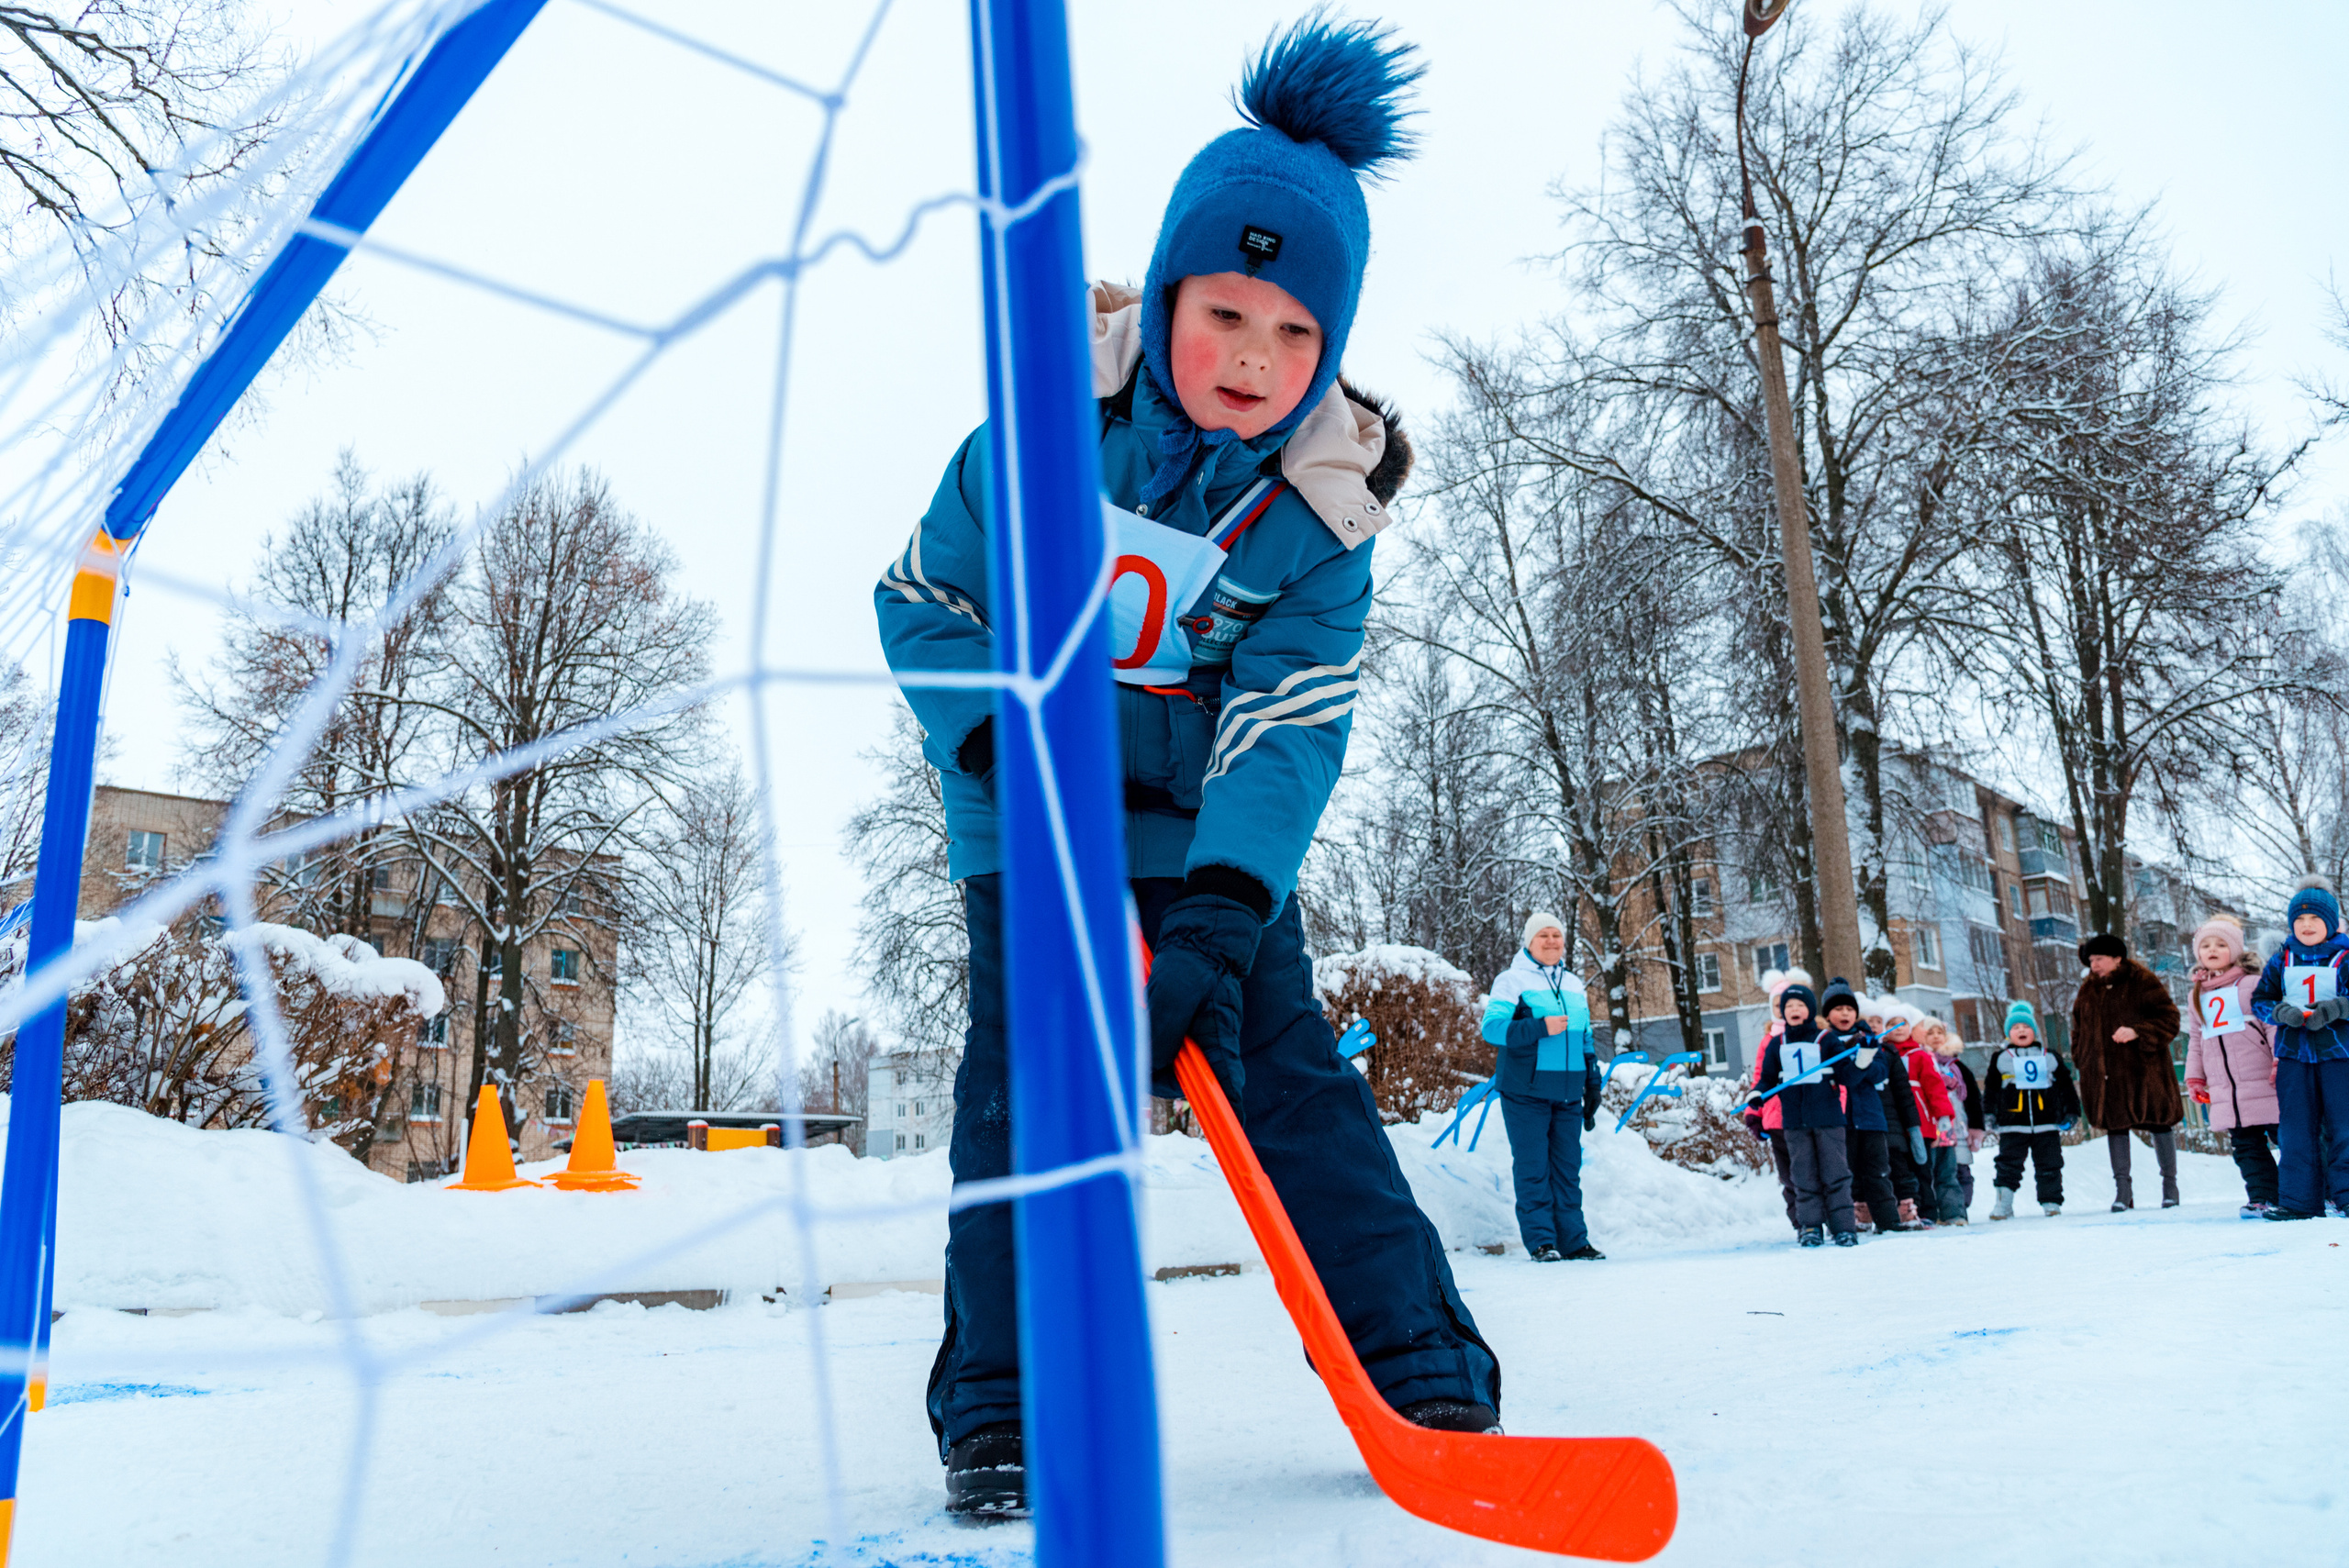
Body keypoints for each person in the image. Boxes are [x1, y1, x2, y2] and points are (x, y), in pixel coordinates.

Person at [876, 21, 1502, 1514]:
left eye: (1298, 335)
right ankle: (1000, 1403)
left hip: (1204, 838)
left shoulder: (1320, 516)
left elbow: (1293, 712)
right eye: (1227, 313)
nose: (1254, 361)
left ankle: (1419, 1363)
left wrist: (1224, 904)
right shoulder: (1039, 432)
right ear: (1165, 299)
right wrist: (1008, 764)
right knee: (1024, 1088)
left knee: (1291, 1082)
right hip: (1026, 823)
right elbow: (922, 598)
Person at [1481, 913, 1604, 1262]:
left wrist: (1592, 1084)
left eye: (1556, 935)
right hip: (1525, 1092)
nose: (1551, 941)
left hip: (1567, 1093)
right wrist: (1539, 1026)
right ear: (1529, 941)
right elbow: (1491, 1029)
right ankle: (1541, 1242)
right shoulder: (1511, 981)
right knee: (1533, 1168)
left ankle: (1574, 1241)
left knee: (1568, 1170)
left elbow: (1586, 1038)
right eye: (1543, 936)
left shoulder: (1574, 985)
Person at [2247, 877, 2349, 1222]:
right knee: (2295, 1129)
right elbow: (2260, 999)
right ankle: (2298, 1201)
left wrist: (2336, 1009)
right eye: (2299, 920)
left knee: (2344, 1127)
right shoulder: (2281, 959)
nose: (2306, 926)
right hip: (2294, 1054)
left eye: (2315, 919)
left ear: (2331, 923)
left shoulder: (2345, 957)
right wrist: (2281, 1012)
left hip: (2339, 1055)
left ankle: (2346, 1196)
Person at [2072, 933, 2186, 1211]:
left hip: (2145, 1072)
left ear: (2117, 958)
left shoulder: (2142, 981)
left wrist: (2138, 1031)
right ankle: (2123, 1191)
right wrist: (2083, 1059)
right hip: (2106, 1076)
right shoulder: (2088, 989)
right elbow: (2077, 1029)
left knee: (2160, 1123)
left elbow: (2170, 1018)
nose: (2093, 965)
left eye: (2098, 959)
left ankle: (2170, 1187)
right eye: (2090, 960)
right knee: (2116, 1126)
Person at [1747, 983, 1861, 1247]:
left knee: (1835, 1174)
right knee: (1803, 1176)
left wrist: (1863, 1058)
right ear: (1782, 1013)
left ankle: (1844, 1227)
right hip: (1794, 1121)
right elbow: (1766, 1080)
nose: (1794, 1010)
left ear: (1809, 1009)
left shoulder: (1826, 1040)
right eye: (1788, 1006)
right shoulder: (1777, 1044)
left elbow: (1848, 1075)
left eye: (1800, 1005)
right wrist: (1757, 1095)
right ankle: (1810, 1227)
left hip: (1828, 1119)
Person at [2181, 915, 2279, 1218]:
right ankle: (2262, 1196)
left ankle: (2310, 1190)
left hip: (2264, 1080)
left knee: (2289, 1139)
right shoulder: (2197, 994)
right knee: (2246, 1146)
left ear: (2236, 950)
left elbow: (2272, 1025)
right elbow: (2197, 1039)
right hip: (2227, 1089)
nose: (2212, 950)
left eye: (2221, 944)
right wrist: (2195, 1077)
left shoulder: (2252, 984)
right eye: (2206, 945)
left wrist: (2279, 1060)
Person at [1986, 1002, 2079, 1218]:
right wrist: (1989, 1113)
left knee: (2050, 1163)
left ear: (2034, 1032)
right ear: (2008, 1033)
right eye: (2015, 1027)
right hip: (2012, 1123)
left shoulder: (2050, 1056)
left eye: (2026, 1027)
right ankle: (2003, 1203)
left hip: (2046, 1122)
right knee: (2008, 1165)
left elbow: (2066, 1086)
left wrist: (2072, 1112)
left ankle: (2051, 1202)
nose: (2021, 1031)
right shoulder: (2000, 1058)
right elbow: (1991, 1089)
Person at [1822, 979, 1899, 1235]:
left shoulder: (1868, 1037)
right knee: (1846, 1173)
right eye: (1838, 1009)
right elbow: (1843, 1077)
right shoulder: (1825, 1041)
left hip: (1871, 1117)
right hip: (1840, 1118)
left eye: (1849, 1009)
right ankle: (1847, 1222)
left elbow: (1879, 1073)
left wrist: (1865, 1059)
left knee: (1877, 1172)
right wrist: (1857, 1065)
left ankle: (1888, 1222)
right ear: (1827, 1014)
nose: (1845, 1013)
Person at [1743, 966, 1812, 1232]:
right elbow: (1760, 1076)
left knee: (1809, 1171)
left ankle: (1818, 1219)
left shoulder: (1813, 1035)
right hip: (1776, 1117)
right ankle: (1801, 1223)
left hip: (1807, 1115)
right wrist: (1753, 1112)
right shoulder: (1768, 1041)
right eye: (1776, 1004)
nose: (1783, 1009)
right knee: (1789, 1176)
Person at [1890, 1005, 1954, 1227]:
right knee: (1900, 1170)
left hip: (1922, 1123)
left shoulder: (1919, 1055)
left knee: (1922, 1168)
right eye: (1891, 1024)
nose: (1897, 1028)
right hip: (1894, 1124)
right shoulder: (1883, 1055)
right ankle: (1905, 1211)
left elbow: (1935, 1087)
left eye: (1902, 1023)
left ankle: (1927, 1210)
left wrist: (1942, 1116)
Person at [1914, 1016, 1980, 1222]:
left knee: (1957, 1169)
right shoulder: (1919, 1059)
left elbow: (1974, 1099)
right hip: (1930, 1123)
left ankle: (1957, 1210)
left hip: (1955, 1125)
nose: (1935, 1037)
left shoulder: (1957, 1066)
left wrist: (1976, 1126)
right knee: (1931, 1169)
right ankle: (1933, 1211)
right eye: (1930, 1033)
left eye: (1939, 1033)